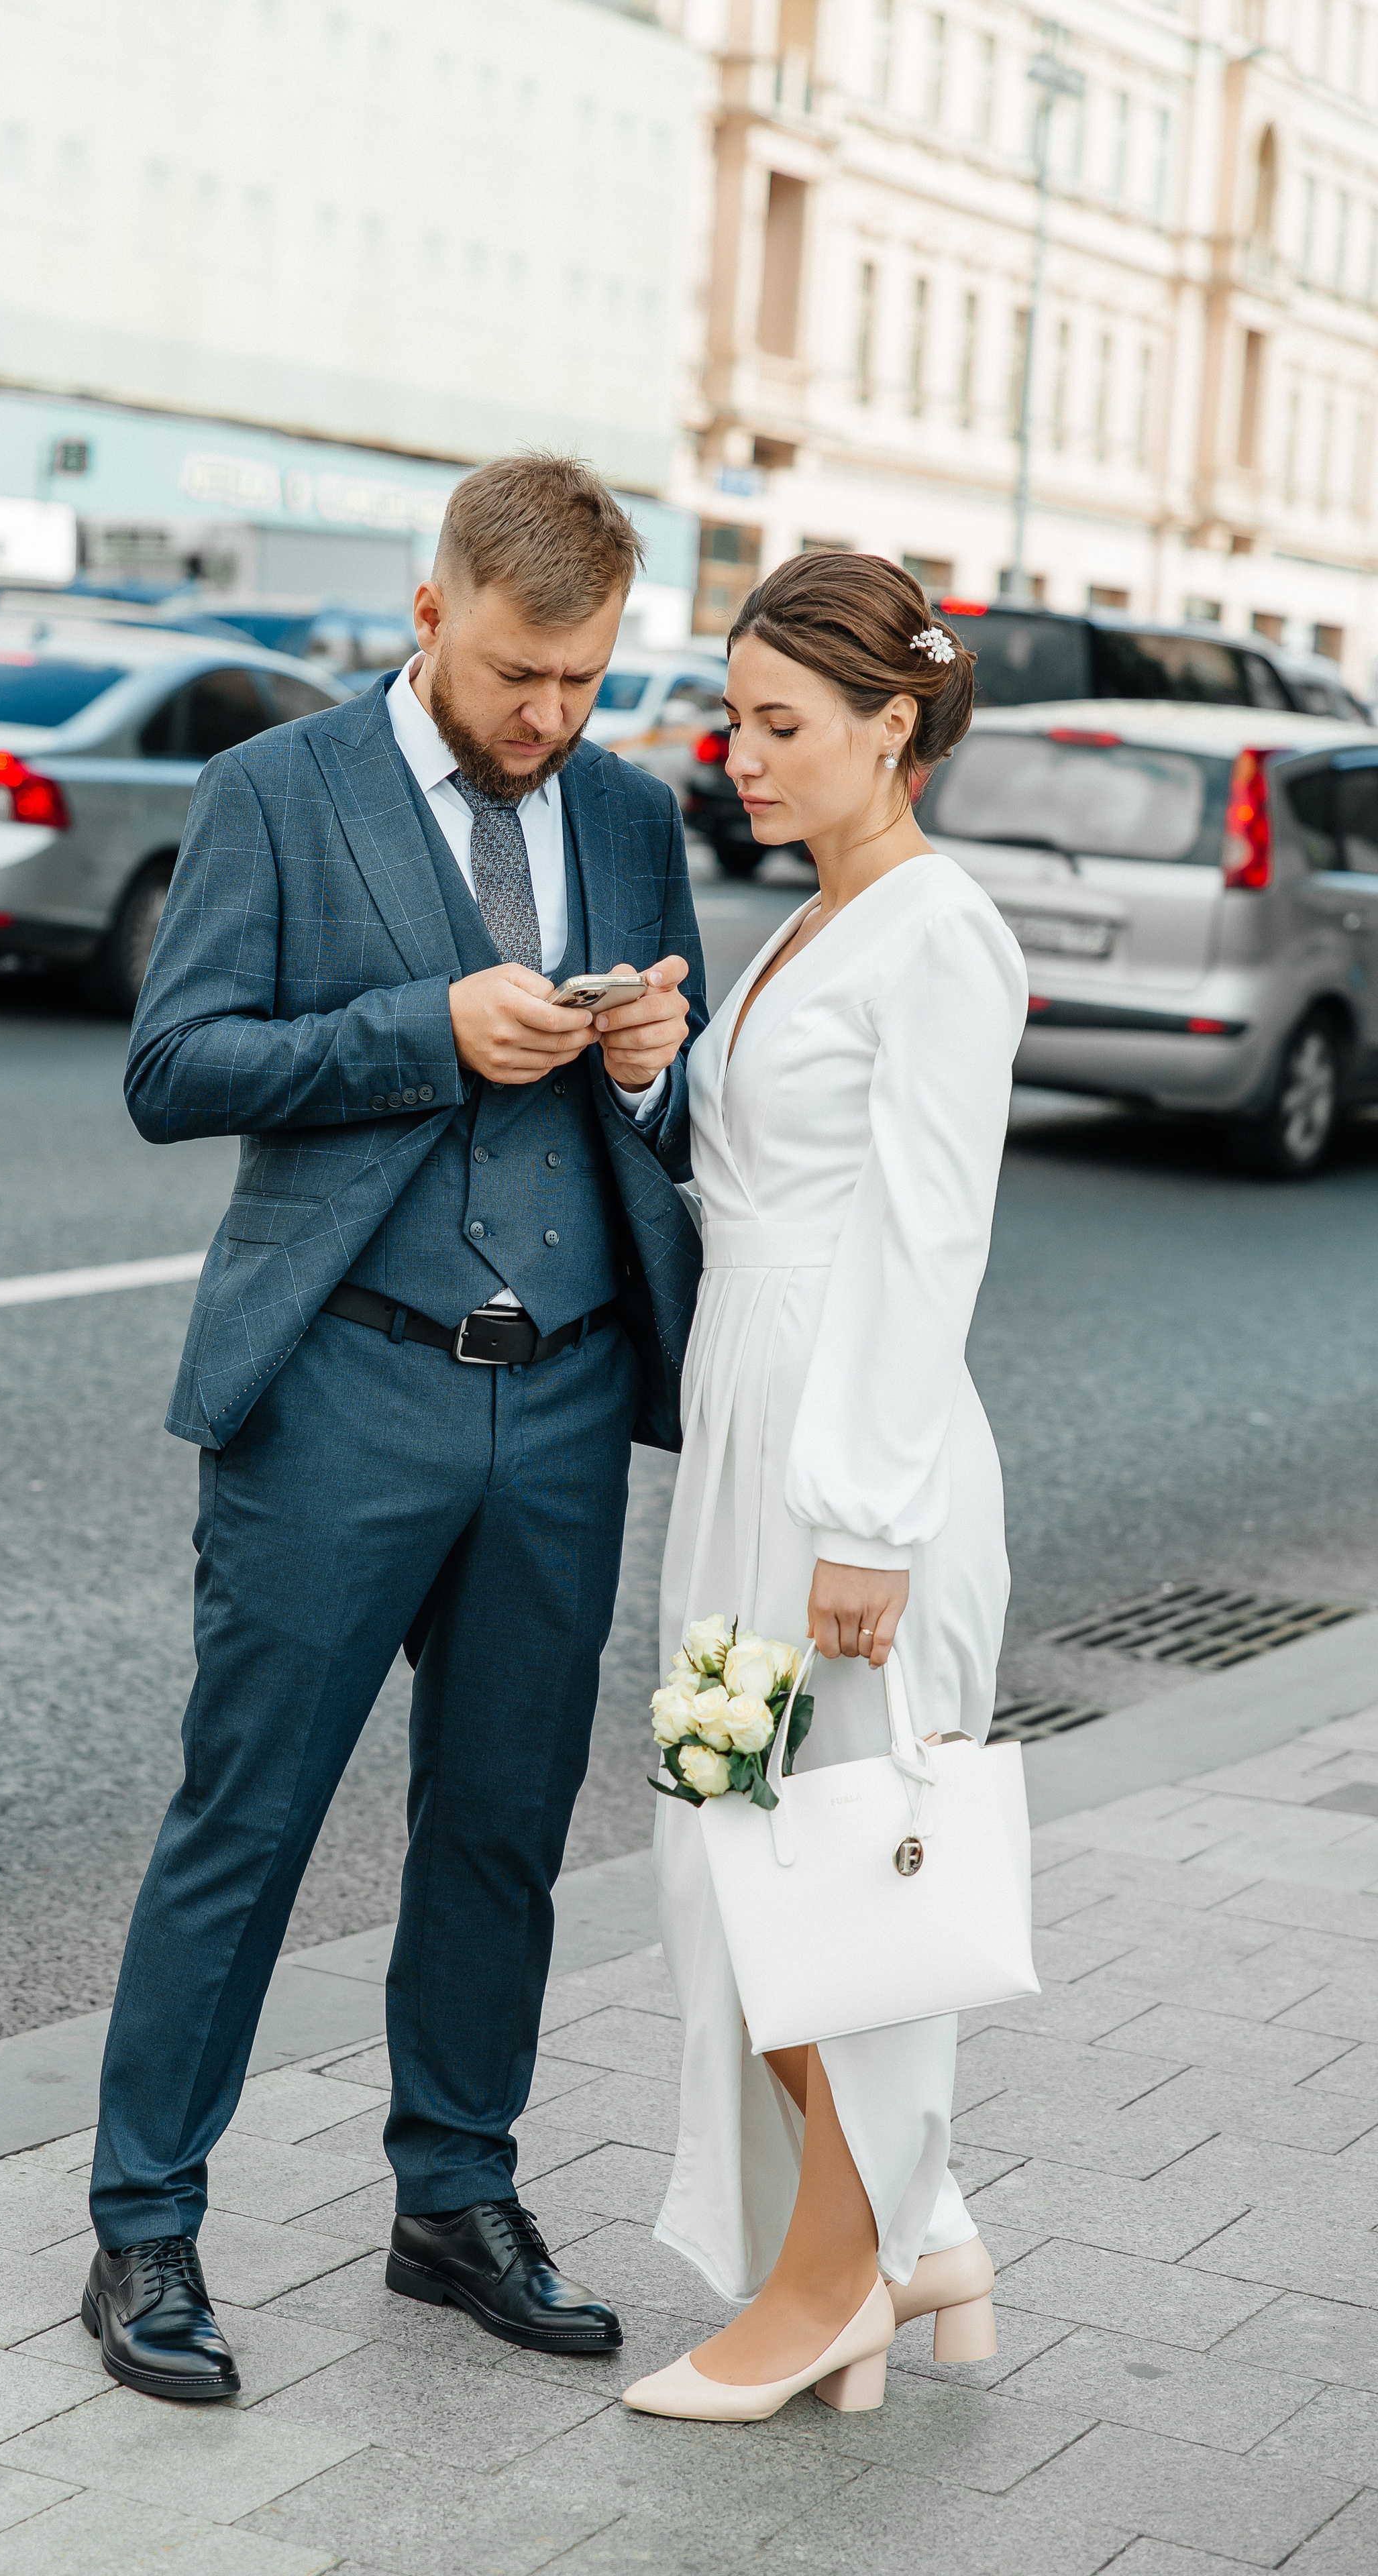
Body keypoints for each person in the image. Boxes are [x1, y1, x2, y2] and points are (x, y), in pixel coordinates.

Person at [81, 453, 706, 2402]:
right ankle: (145, 2231)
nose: (549, 719)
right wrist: (423, 1029)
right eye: (521, 672)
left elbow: (671, 1138)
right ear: (433, 614)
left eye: (584, 681)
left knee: (504, 1829)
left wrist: (656, 1066)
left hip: (572, 1388)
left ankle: (455, 2198)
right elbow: (172, 1070)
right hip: (345, 1381)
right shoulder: (277, 791)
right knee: (245, 1820)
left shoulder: (628, 809)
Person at [621, 551, 1027, 2424]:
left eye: (784, 725)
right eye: (737, 717)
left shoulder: (939, 930)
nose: (744, 756)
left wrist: (865, 1515)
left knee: (833, 1879)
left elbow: (929, 1234)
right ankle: (914, 2230)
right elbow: (768, 1177)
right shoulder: (813, 922)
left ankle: (830, 2287)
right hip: (753, 1433)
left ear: (896, 725)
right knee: (735, 1858)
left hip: (854, 1463)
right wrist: (655, 1073)